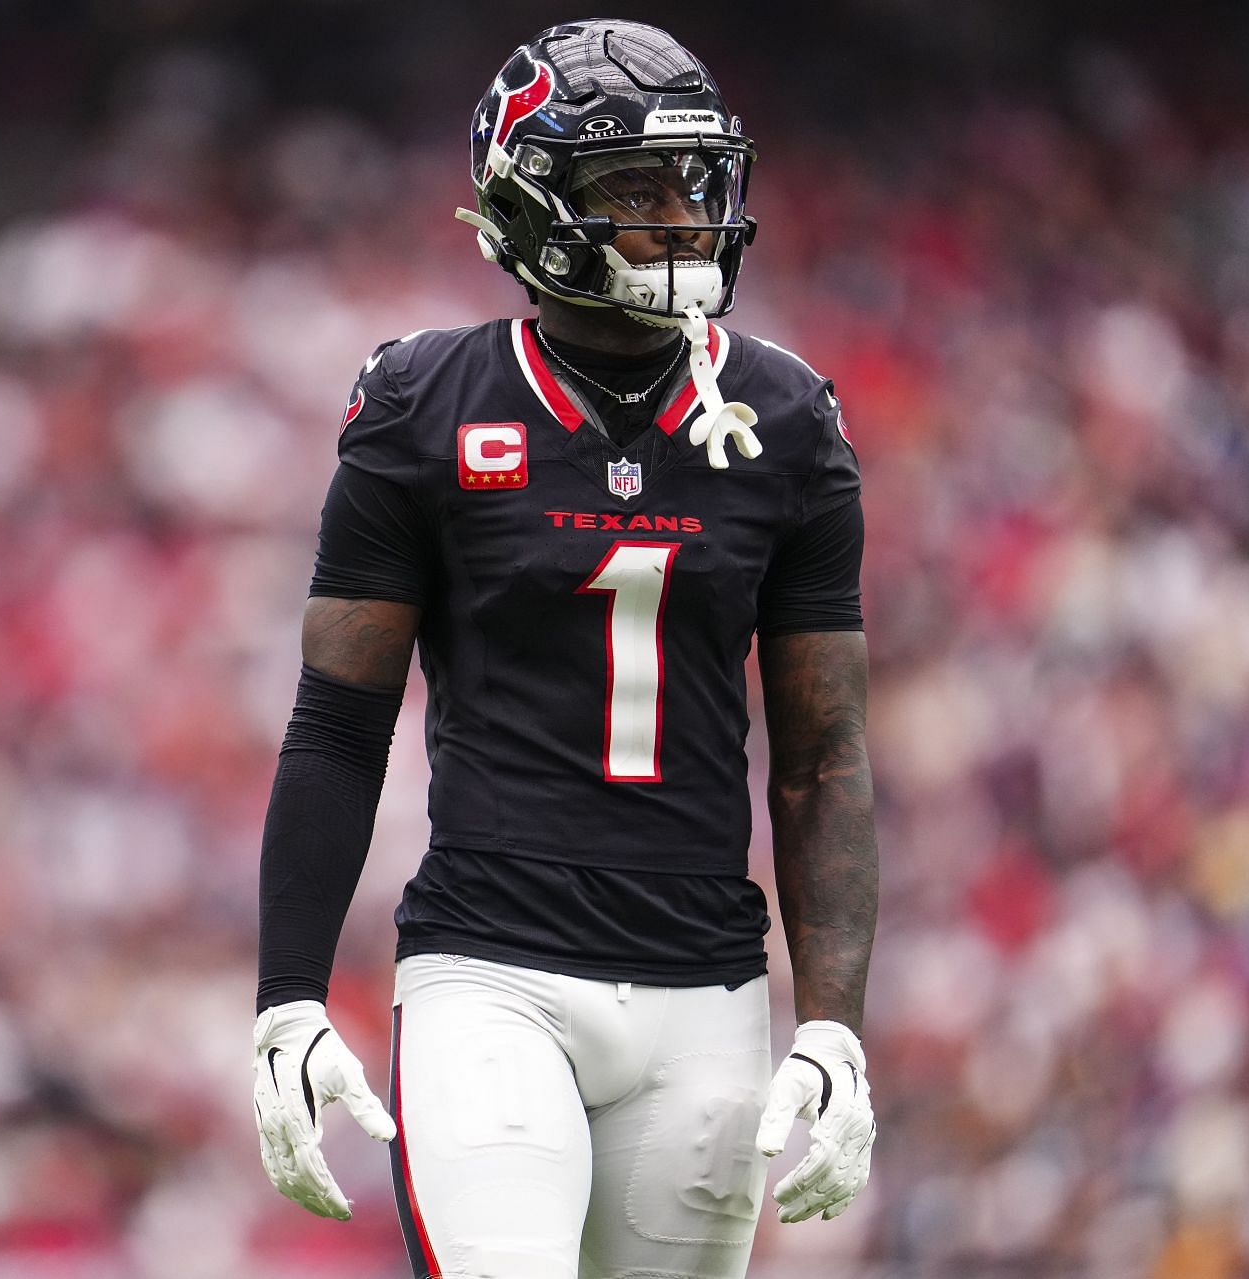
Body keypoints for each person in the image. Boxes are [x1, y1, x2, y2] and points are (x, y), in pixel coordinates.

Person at [252, 20, 878, 1279]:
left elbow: (821, 758)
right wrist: (288, 991)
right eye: (633, 188)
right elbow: (337, 725)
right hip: (489, 971)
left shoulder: (789, 420)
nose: (682, 220)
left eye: (694, 185)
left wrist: (835, 1027)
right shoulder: (424, 406)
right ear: (531, 202)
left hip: (705, 990)